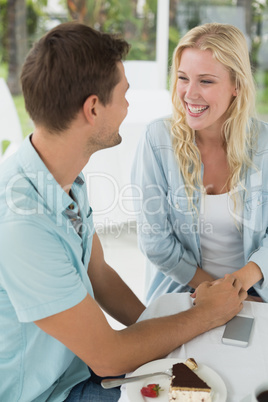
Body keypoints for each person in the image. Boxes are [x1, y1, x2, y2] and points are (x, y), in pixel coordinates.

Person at [0, 22, 247, 402]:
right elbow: (109, 357)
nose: (129, 105)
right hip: (44, 393)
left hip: (75, 373)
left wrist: (176, 343)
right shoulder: (21, 221)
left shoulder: (60, 178)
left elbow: (98, 273)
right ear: (94, 108)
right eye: (124, 94)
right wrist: (204, 316)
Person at [131, 22, 268, 306]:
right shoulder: (158, 140)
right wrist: (218, 293)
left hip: (257, 295)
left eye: (205, 81)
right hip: (183, 294)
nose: (190, 93)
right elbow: (156, 243)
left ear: (236, 85)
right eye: (183, 78)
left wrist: (240, 287)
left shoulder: (264, 144)